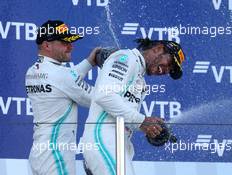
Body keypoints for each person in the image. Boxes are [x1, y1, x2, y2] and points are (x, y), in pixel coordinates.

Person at [80, 38, 185, 175]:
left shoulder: (138, 74)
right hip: (104, 141)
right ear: (158, 48)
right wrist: (142, 121)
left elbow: (123, 115)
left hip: (116, 145)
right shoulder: (126, 58)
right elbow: (104, 95)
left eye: (171, 70)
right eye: (170, 63)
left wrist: (151, 129)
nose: (166, 70)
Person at [25, 20, 101, 175]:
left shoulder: (32, 70)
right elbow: (99, 99)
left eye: (70, 42)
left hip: (39, 153)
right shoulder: (61, 75)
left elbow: (67, 80)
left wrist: (89, 62)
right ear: (47, 45)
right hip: (57, 156)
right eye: (64, 42)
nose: (70, 46)